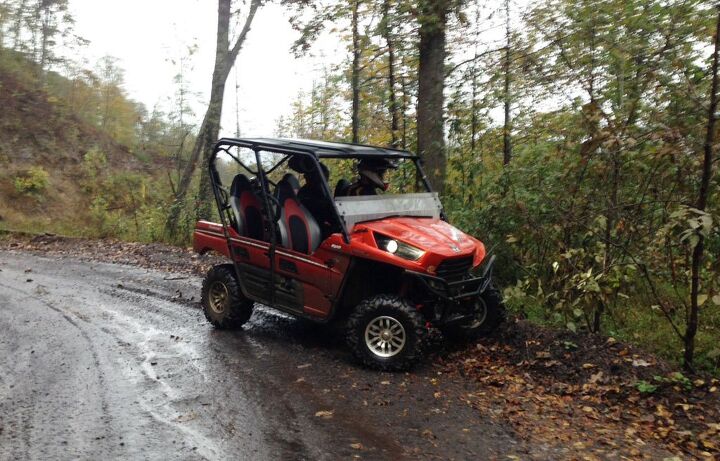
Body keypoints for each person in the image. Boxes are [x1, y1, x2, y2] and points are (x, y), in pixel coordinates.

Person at [296, 161, 336, 239]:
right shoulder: (306, 193)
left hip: (317, 225)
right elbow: (326, 213)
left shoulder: (323, 190)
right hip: (312, 230)